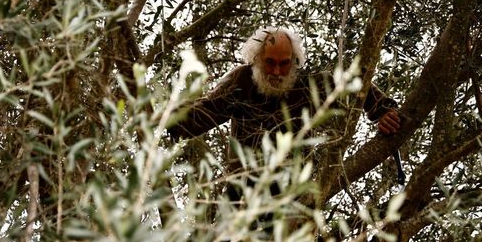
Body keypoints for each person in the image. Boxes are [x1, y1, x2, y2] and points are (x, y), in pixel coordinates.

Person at [168, 26, 401, 161]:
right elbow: (205, 111)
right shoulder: (241, 81)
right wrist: (161, 122)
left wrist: (383, 111)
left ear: (294, 61)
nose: (277, 71)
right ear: (256, 59)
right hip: (242, 190)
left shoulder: (309, 86)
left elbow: (356, 84)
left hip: (293, 193)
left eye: (284, 63)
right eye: (270, 62)